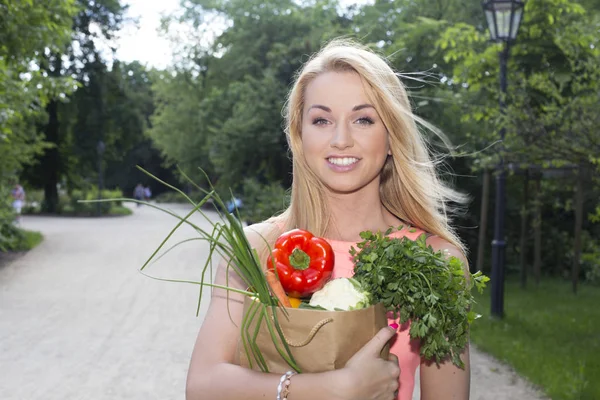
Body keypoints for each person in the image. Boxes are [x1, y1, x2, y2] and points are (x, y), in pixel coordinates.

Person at [186, 39, 470, 400]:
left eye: (363, 119)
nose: (340, 139)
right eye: (322, 120)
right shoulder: (256, 248)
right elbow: (202, 385)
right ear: (300, 135)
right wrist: (332, 388)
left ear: (391, 136)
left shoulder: (437, 262)